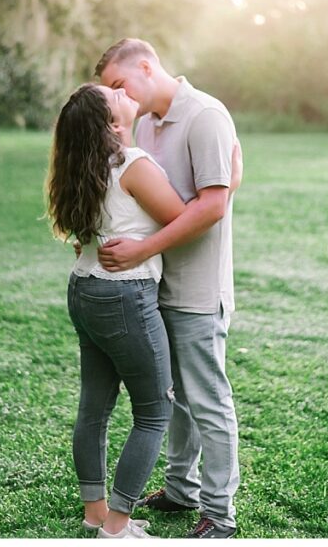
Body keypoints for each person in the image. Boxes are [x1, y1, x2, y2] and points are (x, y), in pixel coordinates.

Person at [95, 38, 241, 539]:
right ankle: (182, 489)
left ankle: (219, 515)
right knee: (177, 397)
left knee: (208, 400)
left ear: (146, 66)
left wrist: (141, 249)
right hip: (156, 287)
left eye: (118, 85)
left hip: (198, 288)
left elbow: (213, 204)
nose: (117, 98)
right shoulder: (147, 125)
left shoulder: (205, 115)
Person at [48, 82, 195, 539]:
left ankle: (96, 512)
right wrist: (231, 179)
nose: (125, 91)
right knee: (154, 412)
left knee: (94, 408)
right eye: (115, 96)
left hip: (85, 291)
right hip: (124, 296)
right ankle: (117, 527)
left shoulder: (79, 169)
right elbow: (183, 217)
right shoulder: (133, 166)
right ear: (114, 123)